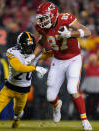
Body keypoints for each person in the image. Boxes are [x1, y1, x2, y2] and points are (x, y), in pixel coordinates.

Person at [25, 2, 92, 130]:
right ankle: (57, 106)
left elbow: (87, 32)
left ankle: (84, 120)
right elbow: (42, 42)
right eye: (41, 18)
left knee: (72, 89)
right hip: (58, 60)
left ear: (54, 15)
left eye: (45, 17)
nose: (42, 21)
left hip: (73, 59)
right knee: (50, 96)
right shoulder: (42, 27)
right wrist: (33, 56)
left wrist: (70, 34)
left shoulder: (66, 19)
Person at [0, 31, 47, 128]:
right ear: (20, 45)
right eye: (27, 46)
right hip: (9, 89)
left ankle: (16, 120)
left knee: (18, 112)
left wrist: (61, 49)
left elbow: (51, 54)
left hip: (23, 91)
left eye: (31, 46)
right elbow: (18, 67)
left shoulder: (35, 54)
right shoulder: (13, 52)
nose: (30, 49)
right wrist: (35, 68)